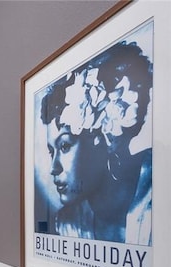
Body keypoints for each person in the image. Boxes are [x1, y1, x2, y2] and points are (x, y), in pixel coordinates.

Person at [40, 39, 153, 245]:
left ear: (106, 138)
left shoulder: (156, 197)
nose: (53, 169)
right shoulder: (68, 223)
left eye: (65, 146)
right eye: (51, 151)